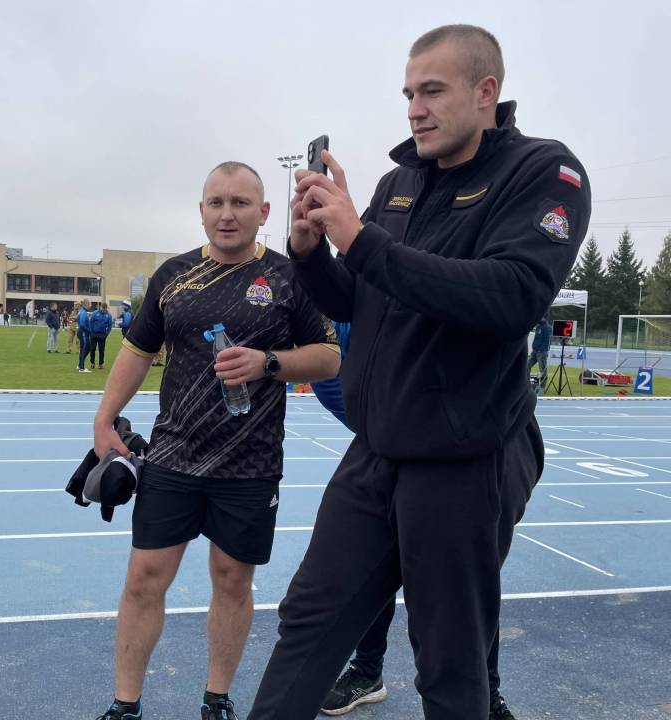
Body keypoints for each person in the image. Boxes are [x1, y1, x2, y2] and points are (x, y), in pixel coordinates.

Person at [248, 25, 591, 720]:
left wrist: (360, 238)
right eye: (408, 94)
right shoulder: (398, 183)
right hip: (377, 450)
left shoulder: (545, 171)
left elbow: (511, 296)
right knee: (308, 620)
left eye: (432, 91)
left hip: (465, 456)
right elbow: (355, 298)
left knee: (449, 662)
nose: (414, 109)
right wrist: (311, 252)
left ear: (485, 91)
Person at [90, 161, 340, 720]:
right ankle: (125, 705)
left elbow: (328, 357)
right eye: (217, 203)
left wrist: (268, 362)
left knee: (231, 581)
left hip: (250, 465)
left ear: (263, 212)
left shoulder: (288, 277)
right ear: (201, 210)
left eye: (240, 203)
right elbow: (136, 352)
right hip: (173, 456)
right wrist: (105, 418)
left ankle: (216, 700)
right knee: (143, 580)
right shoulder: (174, 275)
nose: (227, 214)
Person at [311, 319, 517, 719]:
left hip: (468, 443)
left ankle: (487, 692)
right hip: (387, 437)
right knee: (370, 564)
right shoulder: (341, 303)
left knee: (467, 584)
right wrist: (382, 425)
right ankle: (367, 670)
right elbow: (328, 375)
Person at [528, 317, 552, 391]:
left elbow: (547, 341)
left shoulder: (547, 328)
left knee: (542, 369)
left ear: (544, 318)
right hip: (534, 351)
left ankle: (542, 387)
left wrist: (541, 349)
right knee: (527, 365)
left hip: (541, 352)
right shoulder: (538, 326)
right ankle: (526, 383)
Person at [89, 302, 113, 369]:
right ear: (100, 307)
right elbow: (91, 322)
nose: (103, 309)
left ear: (106, 308)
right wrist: (91, 332)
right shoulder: (95, 313)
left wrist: (106, 334)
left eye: (104, 308)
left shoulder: (108, 315)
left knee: (101, 350)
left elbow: (110, 326)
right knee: (92, 349)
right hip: (94, 334)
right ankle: (92, 363)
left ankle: (101, 364)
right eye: (102, 308)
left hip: (102, 335)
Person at [77, 299, 92, 372]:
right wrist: (89, 330)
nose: (91, 305)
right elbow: (82, 325)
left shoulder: (82, 311)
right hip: (83, 333)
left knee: (88, 347)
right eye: (90, 304)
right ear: (86, 304)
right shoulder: (83, 312)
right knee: (83, 349)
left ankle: (80, 364)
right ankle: (81, 368)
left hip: (83, 333)